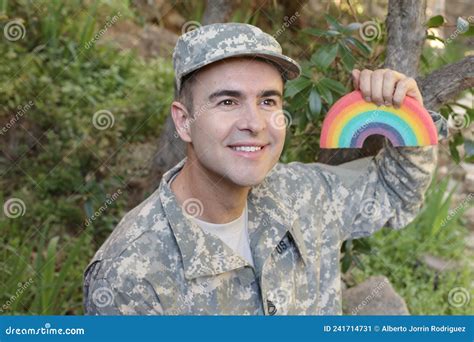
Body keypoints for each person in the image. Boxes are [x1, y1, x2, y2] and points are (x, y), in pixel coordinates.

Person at [83, 23, 448, 315]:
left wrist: (407, 116)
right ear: (184, 122)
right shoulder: (129, 275)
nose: (254, 123)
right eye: (227, 101)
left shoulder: (305, 193)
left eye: (268, 100)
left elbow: (395, 191)